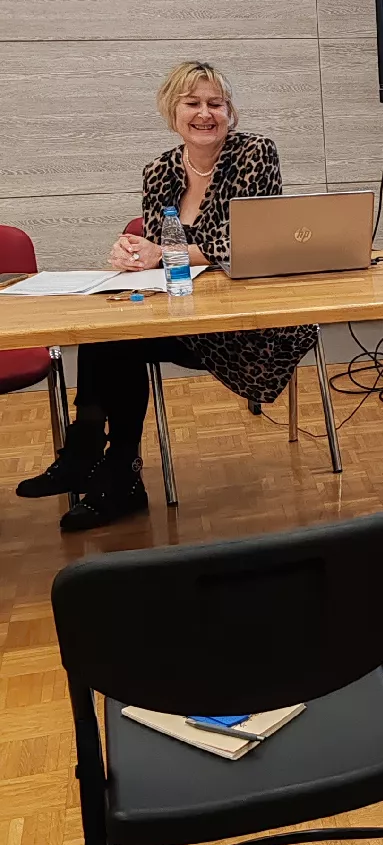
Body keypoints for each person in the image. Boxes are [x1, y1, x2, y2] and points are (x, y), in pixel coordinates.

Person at [16, 62, 319, 532]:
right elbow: (159, 251)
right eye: (192, 103)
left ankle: (102, 461)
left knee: (119, 342)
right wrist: (133, 253)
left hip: (249, 323)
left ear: (230, 112)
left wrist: (163, 252)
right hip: (183, 312)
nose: (205, 114)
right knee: (110, 330)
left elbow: (249, 243)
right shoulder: (158, 170)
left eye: (215, 104)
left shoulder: (255, 153)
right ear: (172, 111)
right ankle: (104, 458)